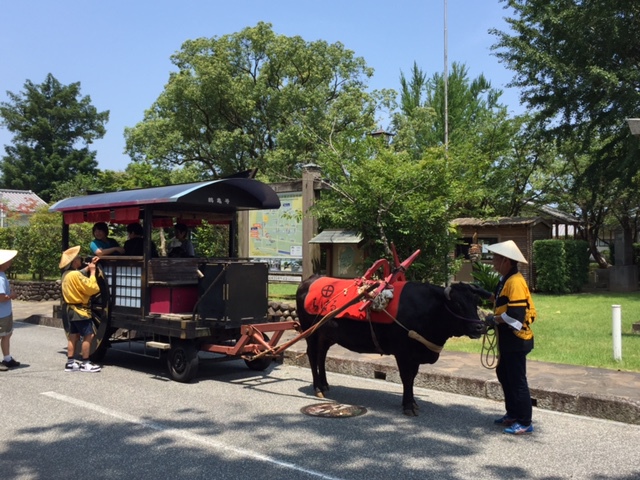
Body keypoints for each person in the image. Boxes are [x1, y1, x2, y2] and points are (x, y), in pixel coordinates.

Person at [485, 240, 537, 435]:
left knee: (517, 379)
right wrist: (481, 294)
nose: (493, 262)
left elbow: (515, 317)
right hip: (507, 339)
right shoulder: (506, 279)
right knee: (504, 375)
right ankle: (513, 413)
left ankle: (524, 421)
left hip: (517, 338)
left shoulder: (515, 282)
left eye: (496, 258)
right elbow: (502, 301)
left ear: (506, 260)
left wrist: (494, 318)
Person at [59, 246, 102, 372]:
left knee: (73, 336)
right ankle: (85, 363)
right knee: (88, 335)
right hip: (80, 311)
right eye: (78, 258)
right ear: (73, 262)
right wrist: (93, 272)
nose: (80, 259)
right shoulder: (76, 275)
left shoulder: (66, 274)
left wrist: (88, 267)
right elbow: (92, 288)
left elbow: (78, 275)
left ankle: (70, 362)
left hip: (71, 310)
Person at [0, 249, 19, 371]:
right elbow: (1, 297)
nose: (10, 262)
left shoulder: (2, 275)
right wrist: (11, 295)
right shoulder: (0, 278)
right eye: (8, 260)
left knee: (7, 334)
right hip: (2, 313)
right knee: (4, 334)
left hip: (4, 312)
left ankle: (7, 358)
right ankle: (6, 358)